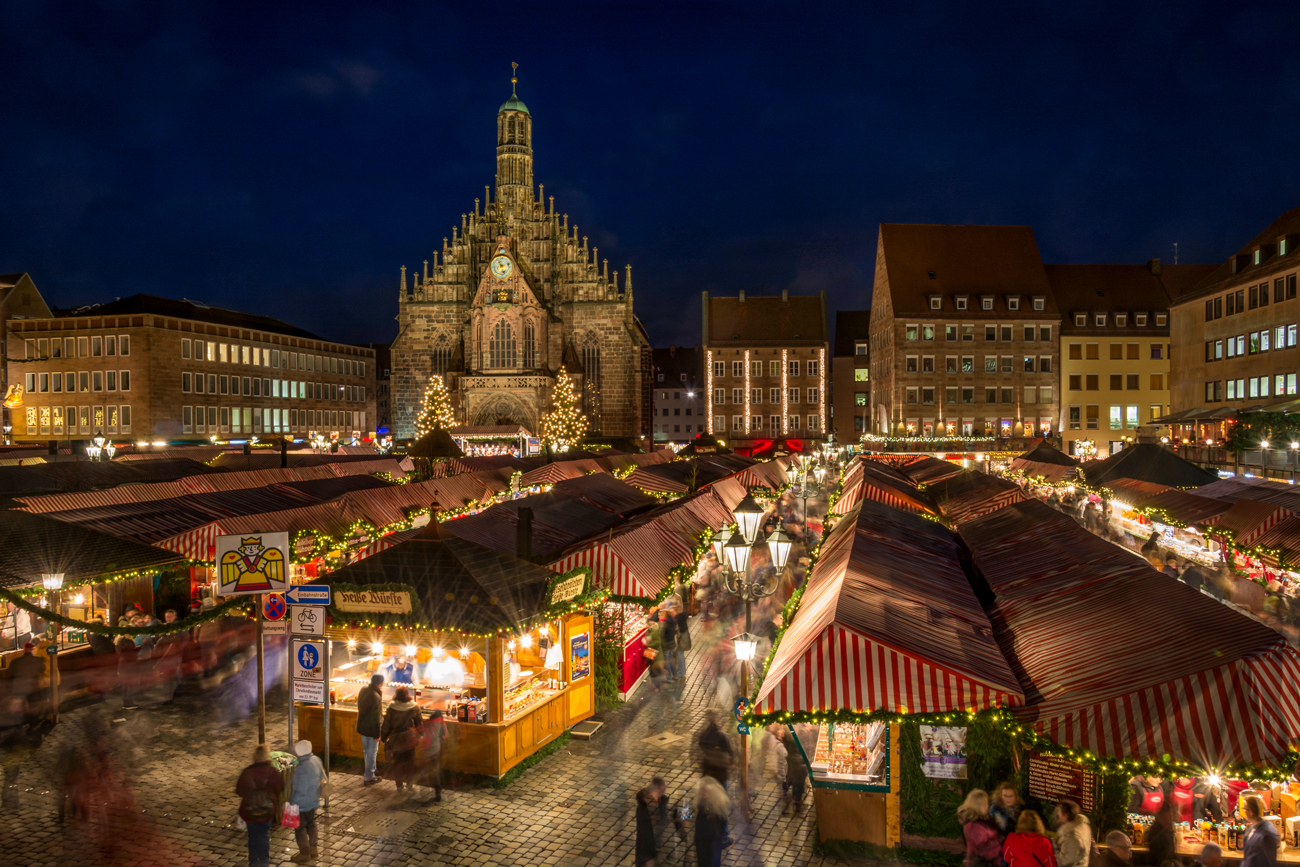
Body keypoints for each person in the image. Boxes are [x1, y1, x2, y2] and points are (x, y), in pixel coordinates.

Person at [235, 744, 283, 867]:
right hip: (266, 810)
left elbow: (239, 790)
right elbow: (280, 787)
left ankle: (253, 862)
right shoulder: (271, 771)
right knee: (264, 835)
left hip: (250, 811)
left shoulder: (247, 771)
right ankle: (264, 862)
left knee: (252, 836)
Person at [289, 740, 325, 864]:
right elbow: (323, 777)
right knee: (312, 823)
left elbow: (300, 790)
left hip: (302, 803)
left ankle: (304, 853)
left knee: (300, 828)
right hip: (314, 798)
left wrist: (292, 802)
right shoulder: (316, 759)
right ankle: (314, 848)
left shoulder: (301, 768)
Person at [380, 686, 422, 791]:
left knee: (397, 763)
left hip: (396, 740)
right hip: (410, 739)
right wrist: (420, 735)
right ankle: (410, 784)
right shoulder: (415, 706)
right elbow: (419, 724)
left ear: (396, 694)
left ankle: (399, 786)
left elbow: (387, 724)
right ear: (407, 694)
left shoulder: (391, 707)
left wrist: (383, 738)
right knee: (410, 762)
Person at [692, 774, 731, 867]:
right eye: (702, 790)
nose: (703, 793)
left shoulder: (716, 811)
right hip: (702, 843)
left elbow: (716, 830)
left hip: (711, 845)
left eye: (706, 791)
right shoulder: (702, 805)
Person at [958, 789, 1002, 867]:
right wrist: (999, 841)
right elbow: (981, 849)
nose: (988, 806)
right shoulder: (975, 825)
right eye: (986, 803)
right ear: (980, 805)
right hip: (981, 863)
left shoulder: (981, 821)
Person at [5, 642, 45, 722]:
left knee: (18, 707)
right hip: (32, 687)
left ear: (24, 649)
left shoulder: (15, 661)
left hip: (18, 688)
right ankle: (33, 724)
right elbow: (42, 669)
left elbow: (10, 673)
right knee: (33, 706)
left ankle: (18, 726)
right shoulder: (38, 659)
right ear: (32, 649)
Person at [356, 674, 383, 786]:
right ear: (380, 683)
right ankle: (369, 777)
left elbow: (359, 706)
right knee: (371, 753)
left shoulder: (363, 689)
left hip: (362, 726)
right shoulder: (375, 696)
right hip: (371, 730)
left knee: (367, 751)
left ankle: (372, 770)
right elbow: (375, 718)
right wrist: (377, 734)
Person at [635, 776, 667, 867]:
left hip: (658, 850)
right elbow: (644, 835)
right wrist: (648, 858)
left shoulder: (660, 802)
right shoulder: (645, 809)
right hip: (649, 854)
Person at [1242, 794, 1279, 867]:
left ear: (1251, 812)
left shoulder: (1266, 833)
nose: (1243, 811)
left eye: (1244, 809)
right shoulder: (1250, 829)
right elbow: (1247, 859)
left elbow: (1270, 862)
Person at [417, 709, 446, 802]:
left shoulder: (426, 723)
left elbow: (420, 732)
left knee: (426, 769)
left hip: (426, 748)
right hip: (436, 748)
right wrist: (439, 740)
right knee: (435, 770)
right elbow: (444, 734)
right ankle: (437, 791)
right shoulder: (441, 722)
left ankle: (424, 788)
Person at [1054, 800, 1091, 867]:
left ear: (1065, 815)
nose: (1057, 814)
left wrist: (1054, 847)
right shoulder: (1083, 826)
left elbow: (1064, 861)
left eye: (1059, 811)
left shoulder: (1072, 836)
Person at [782, 728, 807, 814]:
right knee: (798, 784)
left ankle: (795, 800)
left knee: (796, 783)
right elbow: (805, 749)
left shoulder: (789, 738)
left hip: (794, 764)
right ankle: (796, 803)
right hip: (799, 764)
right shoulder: (796, 739)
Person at [1146, 798, 1177, 867]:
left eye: (1171, 817)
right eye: (1168, 818)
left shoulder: (1166, 829)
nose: (1170, 821)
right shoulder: (1157, 832)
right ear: (1161, 817)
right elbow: (1160, 857)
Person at [673, 602, 690, 681]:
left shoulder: (679, 618)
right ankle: (681, 671)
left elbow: (680, 629)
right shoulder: (681, 617)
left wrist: (675, 629)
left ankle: (682, 672)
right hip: (682, 639)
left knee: (680, 656)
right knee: (680, 655)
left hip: (681, 640)